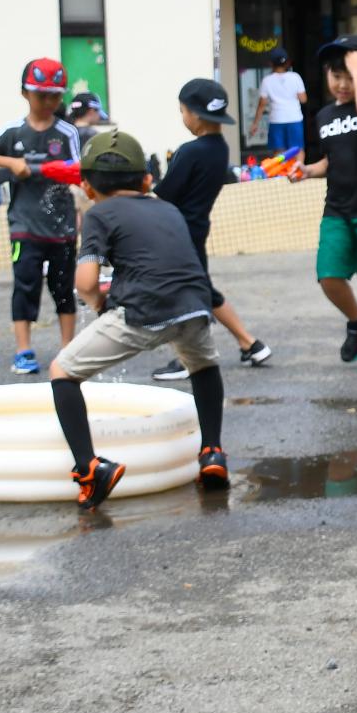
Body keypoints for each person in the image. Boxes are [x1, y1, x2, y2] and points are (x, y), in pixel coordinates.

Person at [47, 129, 231, 510]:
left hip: (145, 310)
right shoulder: (168, 208)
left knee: (62, 372)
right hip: (196, 303)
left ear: (86, 186)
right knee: (202, 365)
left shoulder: (98, 213)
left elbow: (84, 282)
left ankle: (88, 468)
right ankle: (212, 452)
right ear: (147, 180)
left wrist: (99, 303)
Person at [284, 35, 357, 374]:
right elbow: (330, 161)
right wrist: (307, 171)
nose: (342, 84)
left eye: (348, 76)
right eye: (336, 76)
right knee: (329, 275)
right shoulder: (324, 116)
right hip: (338, 210)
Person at [151, 78, 272, 379]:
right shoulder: (220, 148)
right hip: (197, 227)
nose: (183, 118)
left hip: (177, 233)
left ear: (195, 114)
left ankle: (187, 360)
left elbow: (165, 194)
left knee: (184, 296)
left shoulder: (190, 151)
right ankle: (250, 343)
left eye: (182, 111)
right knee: (202, 290)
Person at [0, 59, 82, 373]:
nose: (47, 102)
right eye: (40, 95)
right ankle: (23, 349)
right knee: (25, 284)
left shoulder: (66, 132)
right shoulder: (13, 132)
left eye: (54, 96)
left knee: (63, 287)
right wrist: (10, 163)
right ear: (25, 93)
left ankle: (67, 350)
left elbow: (79, 170)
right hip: (24, 225)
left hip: (61, 227)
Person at [252, 48, 307, 158]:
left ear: (271, 63)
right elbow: (303, 99)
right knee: (298, 149)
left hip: (277, 119)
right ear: (287, 62)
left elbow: (262, 104)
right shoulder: (295, 77)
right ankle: (300, 172)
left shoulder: (267, 80)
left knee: (278, 151)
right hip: (294, 118)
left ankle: (280, 174)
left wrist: (255, 123)